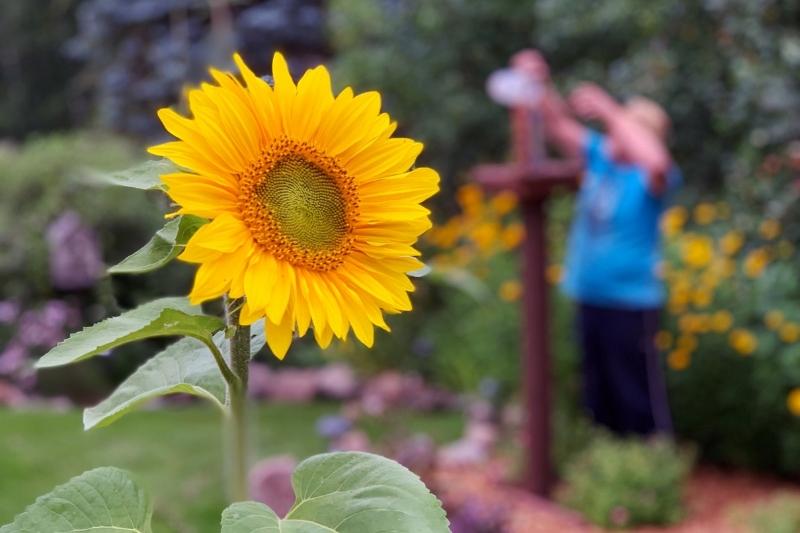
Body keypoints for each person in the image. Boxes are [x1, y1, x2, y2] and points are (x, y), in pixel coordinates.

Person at [512, 50, 679, 435]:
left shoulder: (651, 177)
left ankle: (650, 467)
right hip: (591, 296)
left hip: (630, 303)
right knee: (599, 393)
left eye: (627, 130)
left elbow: (656, 161)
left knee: (636, 395)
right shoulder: (601, 161)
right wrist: (538, 81)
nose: (615, 137)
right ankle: (610, 469)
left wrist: (608, 109)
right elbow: (556, 123)